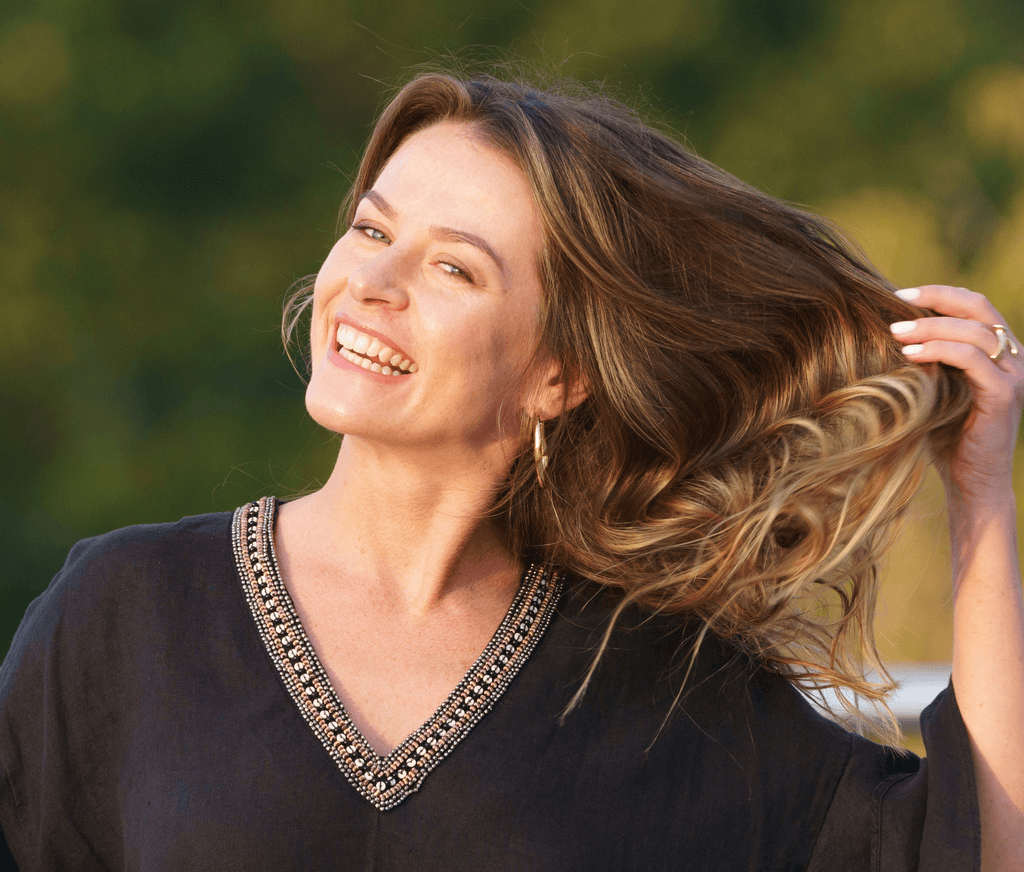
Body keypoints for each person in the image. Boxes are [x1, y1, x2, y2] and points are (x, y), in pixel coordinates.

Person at [1, 71, 1021, 871]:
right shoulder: (122, 611)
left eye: (455, 267)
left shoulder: (657, 682)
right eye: (371, 228)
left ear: (557, 375)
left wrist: (980, 500)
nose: (371, 283)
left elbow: (977, 847)